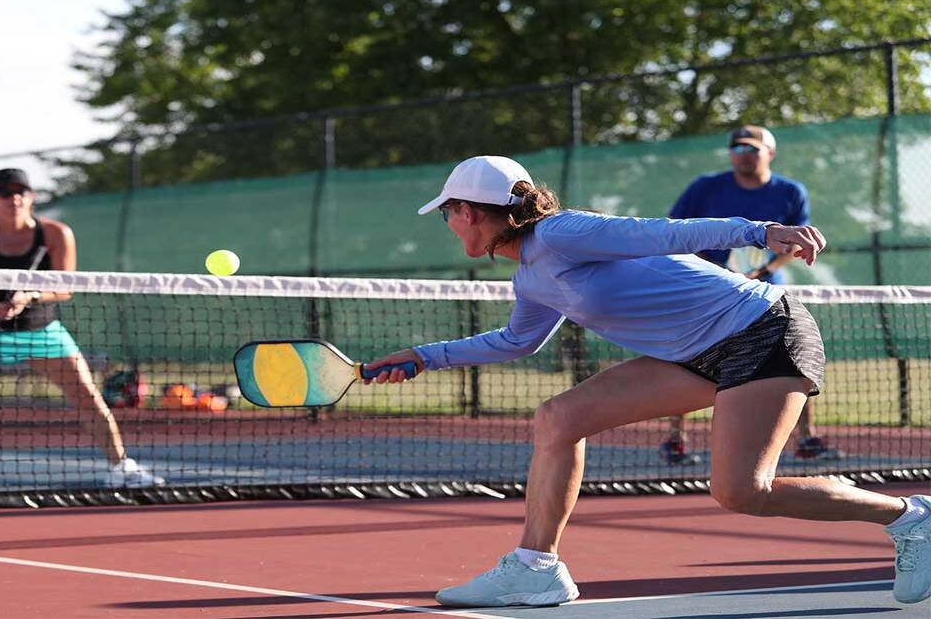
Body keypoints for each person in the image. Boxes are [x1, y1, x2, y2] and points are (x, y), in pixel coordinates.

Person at [364, 155, 930, 607]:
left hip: (762, 330)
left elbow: (659, 233)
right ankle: (535, 570)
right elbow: (517, 341)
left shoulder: (561, 234)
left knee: (741, 492)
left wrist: (760, 230)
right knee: (559, 418)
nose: (447, 223)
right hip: (693, 353)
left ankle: (910, 518)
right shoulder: (531, 276)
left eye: (448, 212)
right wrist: (423, 355)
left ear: (471, 210)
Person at [0, 168, 163, 493]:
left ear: (32, 196)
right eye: (6, 193)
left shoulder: (55, 234)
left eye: (21, 191)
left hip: (41, 329)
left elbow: (66, 288)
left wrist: (31, 295)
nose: (15, 198)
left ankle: (121, 467)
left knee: (89, 398)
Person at [661, 125, 838, 466]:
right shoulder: (705, 187)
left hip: (768, 294)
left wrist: (764, 272)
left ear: (769, 152)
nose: (744, 155)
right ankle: (675, 440)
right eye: (738, 149)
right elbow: (674, 232)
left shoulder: (790, 191)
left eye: (752, 149)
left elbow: (798, 242)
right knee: (686, 353)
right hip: (709, 286)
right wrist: (711, 272)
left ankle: (806, 439)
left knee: (794, 357)